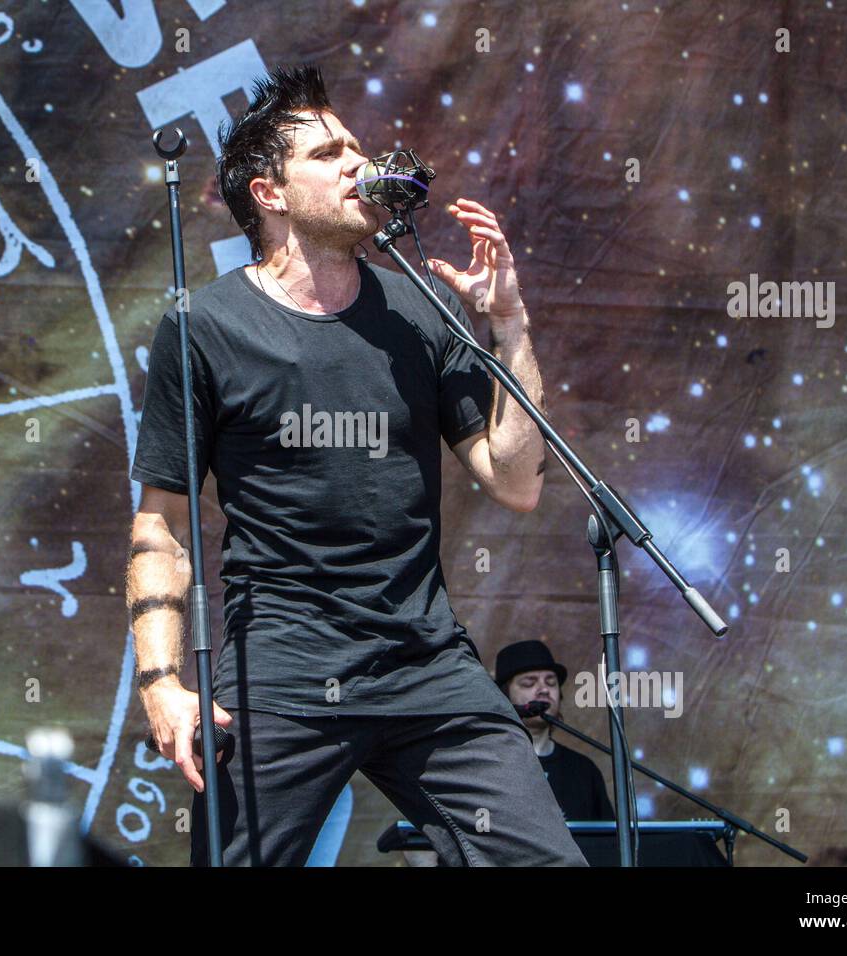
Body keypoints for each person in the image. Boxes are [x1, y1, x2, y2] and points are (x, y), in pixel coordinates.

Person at [126, 63, 584, 867]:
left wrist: (510, 327)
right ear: (270, 193)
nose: (357, 163)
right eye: (329, 153)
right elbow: (159, 524)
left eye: (356, 147)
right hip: (284, 670)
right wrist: (162, 682)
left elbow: (515, 482)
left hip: (427, 664)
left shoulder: (419, 310)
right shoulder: (207, 328)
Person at [495, 640, 614, 821]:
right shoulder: (487, 765)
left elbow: (606, 843)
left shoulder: (583, 771)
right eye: (529, 683)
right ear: (504, 696)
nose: (543, 690)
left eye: (551, 682)